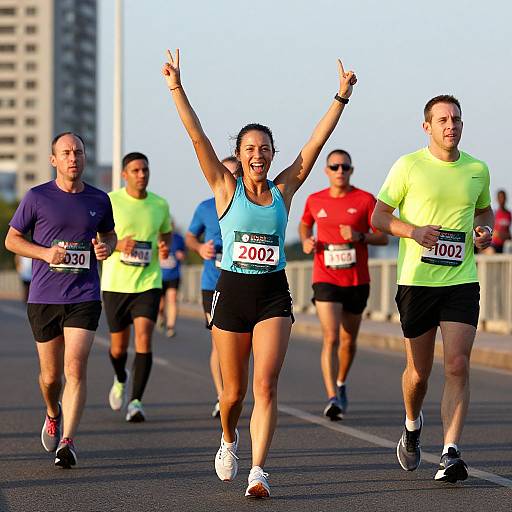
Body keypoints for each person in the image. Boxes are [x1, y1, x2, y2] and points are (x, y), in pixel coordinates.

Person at [163, 48, 356, 498]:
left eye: (265, 149)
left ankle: (258, 471)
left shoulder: (284, 190)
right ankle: (229, 438)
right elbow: (197, 138)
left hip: (272, 294)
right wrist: (176, 87)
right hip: (231, 293)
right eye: (249, 148)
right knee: (233, 394)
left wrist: (340, 97)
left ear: (272, 156)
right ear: (238, 154)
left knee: (266, 385)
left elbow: (315, 145)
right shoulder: (224, 187)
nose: (258, 155)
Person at [371, 95, 493, 483]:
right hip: (417, 282)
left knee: (457, 364)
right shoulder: (408, 166)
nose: (450, 125)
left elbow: (484, 210)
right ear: (427, 127)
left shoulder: (477, 168)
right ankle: (411, 423)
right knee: (419, 375)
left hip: (461, 279)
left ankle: (450, 452)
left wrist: (485, 231)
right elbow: (379, 216)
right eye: (442, 119)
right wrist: (413, 232)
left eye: (456, 118)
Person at [5, 132, 116, 468]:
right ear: (53, 159)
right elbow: (12, 240)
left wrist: (106, 247)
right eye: (66, 152)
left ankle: (67, 441)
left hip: (84, 295)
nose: (73, 157)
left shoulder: (99, 199)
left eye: (78, 152)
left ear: (85, 158)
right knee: (51, 377)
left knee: (75, 368)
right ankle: (53, 411)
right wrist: (44, 253)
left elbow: (109, 234)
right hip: (44, 296)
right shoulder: (37, 198)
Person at [299, 149, 387, 420]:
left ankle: (341, 382)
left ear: (351, 170)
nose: (340, 171)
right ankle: (332, 398)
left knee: (348, 340)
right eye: (335, 167)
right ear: (326, 171)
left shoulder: (365, 200)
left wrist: (360, 236)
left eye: (345, 167)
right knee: (332, 337)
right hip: (325, 277)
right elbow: (304, 226)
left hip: (356, 279)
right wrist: (306, 240)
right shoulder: (315, 200)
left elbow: (383, 237)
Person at [101, 152, 172, 422]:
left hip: (148, 282)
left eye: (145, 170)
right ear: (124, 175)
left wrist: (164, 245)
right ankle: (121, 377)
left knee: (144, 338)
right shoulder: (110, 201)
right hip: (116, 283)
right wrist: (117, 245)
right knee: (118, 348)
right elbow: (97, 235)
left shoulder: (160, 205)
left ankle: (136, 401)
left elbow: (165, 232)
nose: (141, 175)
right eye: (135, 170)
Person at [185, 156, 239, 419]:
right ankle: (222, 395)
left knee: (239, 345)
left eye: (234, 174)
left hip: (241, 282)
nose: (229, 178)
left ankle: (234, 392)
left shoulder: (247, 205)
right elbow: (189, 237)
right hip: (212, 283)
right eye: (224, 173)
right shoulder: (205, 207)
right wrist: (200, 247)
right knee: (219, 343)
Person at [159, 227, 186, 338]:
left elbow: (184, 254)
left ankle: (171, 326)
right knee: (160, 304)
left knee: (172, 299)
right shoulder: (157, 237)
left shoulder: (178, 238)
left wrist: (181, 255)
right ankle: (160, 316)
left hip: (174, 275)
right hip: (159, 276)